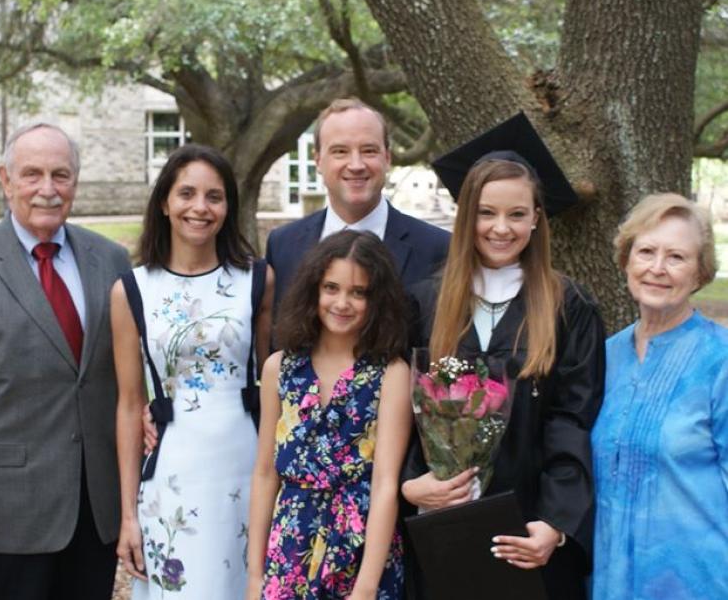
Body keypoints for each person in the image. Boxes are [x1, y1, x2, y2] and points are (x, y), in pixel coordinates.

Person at [402, 113, 605, 598]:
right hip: (441, 520)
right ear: (466, 215)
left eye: (517, 214)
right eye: (487, 212)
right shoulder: (424, 301)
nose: (501, 228)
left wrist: (555, 524)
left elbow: (571, 420)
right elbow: (399, 415)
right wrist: (412, 484)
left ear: (537, 217)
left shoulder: (567, 305)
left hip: (528, 522)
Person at [113, 144, 273, 599]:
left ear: (228, 207)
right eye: (187, 193)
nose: (200, 207)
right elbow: (128, 406)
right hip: (171, 478)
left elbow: (274, 385)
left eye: (214, 196)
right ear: (164, 202)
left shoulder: (258, 281)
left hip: (245, 472)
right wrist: (128, 515)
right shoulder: (132, 291)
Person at [0, 123, 131, 600]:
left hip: (96, 506)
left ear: (75, 182)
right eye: (32, 175)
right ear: (5, 180)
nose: (48, 189)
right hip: (8, 513)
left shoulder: (112, 261)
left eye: (60, 175)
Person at [246, 230, 412, 599]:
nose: (342, 302)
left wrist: (367, 587)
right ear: (313, 290)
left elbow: (385, 484)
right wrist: (255, 573)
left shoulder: (390, 373)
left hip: (359, 547)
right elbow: (264, 472)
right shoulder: (279, 368)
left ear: (377, 300)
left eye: (359, 292)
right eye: (331, 287)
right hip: (290, 544)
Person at [592, 193, 728, 599]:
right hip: (608, 581)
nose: (657, 268)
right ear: (626, 261)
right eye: (646, 251)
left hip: (696, 581)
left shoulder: (719, 360)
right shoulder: (604, 357)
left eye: (676, 257)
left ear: (700, 273)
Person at [265, 97, 450, 312]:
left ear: (387, 158)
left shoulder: (437, 249)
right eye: (340, 151)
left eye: (369, 150)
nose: (356, 165)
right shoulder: (283, 246)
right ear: (318, 161)